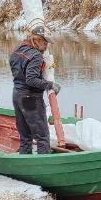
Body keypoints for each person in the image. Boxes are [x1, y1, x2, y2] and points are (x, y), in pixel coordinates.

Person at [9, 19, 60, 154]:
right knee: (42, 135)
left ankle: (24, 159)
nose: (46, 45)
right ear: (36, 40)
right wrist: (50, 84)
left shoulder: (17, 50)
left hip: (17, 95)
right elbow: (31, 79)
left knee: (25, 135)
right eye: (44, 42)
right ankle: (45, 163)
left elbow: (17, 71)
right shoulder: (36, 56)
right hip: (30, 98)